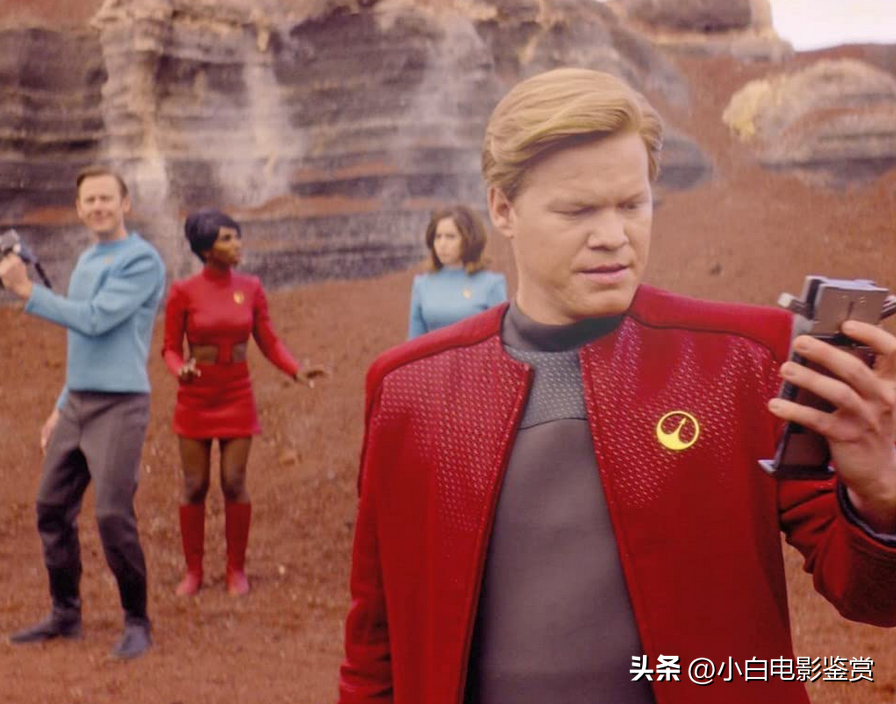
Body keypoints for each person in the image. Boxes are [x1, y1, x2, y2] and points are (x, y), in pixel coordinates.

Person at [337, 68, 896, 704]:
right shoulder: (406, 390)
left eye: (632, 204)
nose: (613, 236)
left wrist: (880, 499)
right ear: (502, 209)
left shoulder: (749, 359)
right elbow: (374, 652)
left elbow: (872, 597)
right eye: (578, 210)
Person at [0, 165, 166, 660]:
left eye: (106, 198)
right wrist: (60, 406)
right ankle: (65, 613)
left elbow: (94, 321)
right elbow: (82, 343)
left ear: (125, 203)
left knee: (112, 515)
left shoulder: (142, 260)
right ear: (78, 208)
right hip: (78, 403)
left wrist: (28, 292)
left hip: (120, 405)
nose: (98, 207)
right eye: (89, 200)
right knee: (51, 507)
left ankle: (137, 622)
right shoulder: (88, 260)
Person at [162, 209, 313, 597]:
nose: (237, 245)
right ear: (206, 249)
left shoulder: (251, 287)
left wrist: (295, 369)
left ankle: (236, 570)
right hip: (196, 396)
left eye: (237, 237)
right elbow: (169, 349)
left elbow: (268, 340)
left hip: (236, 394)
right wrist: (180, 370)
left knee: (234, 482)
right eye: (227, 239)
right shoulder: (183, 291)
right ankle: (193, 571)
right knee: (195, 485)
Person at [407, 205, 507, 339]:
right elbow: (414, 342)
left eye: (450, 237)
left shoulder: (492, 285)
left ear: (469, 240)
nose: (442, 244)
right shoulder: (422, 284)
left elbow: (501, 340)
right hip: (435, 354)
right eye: (438, 237)